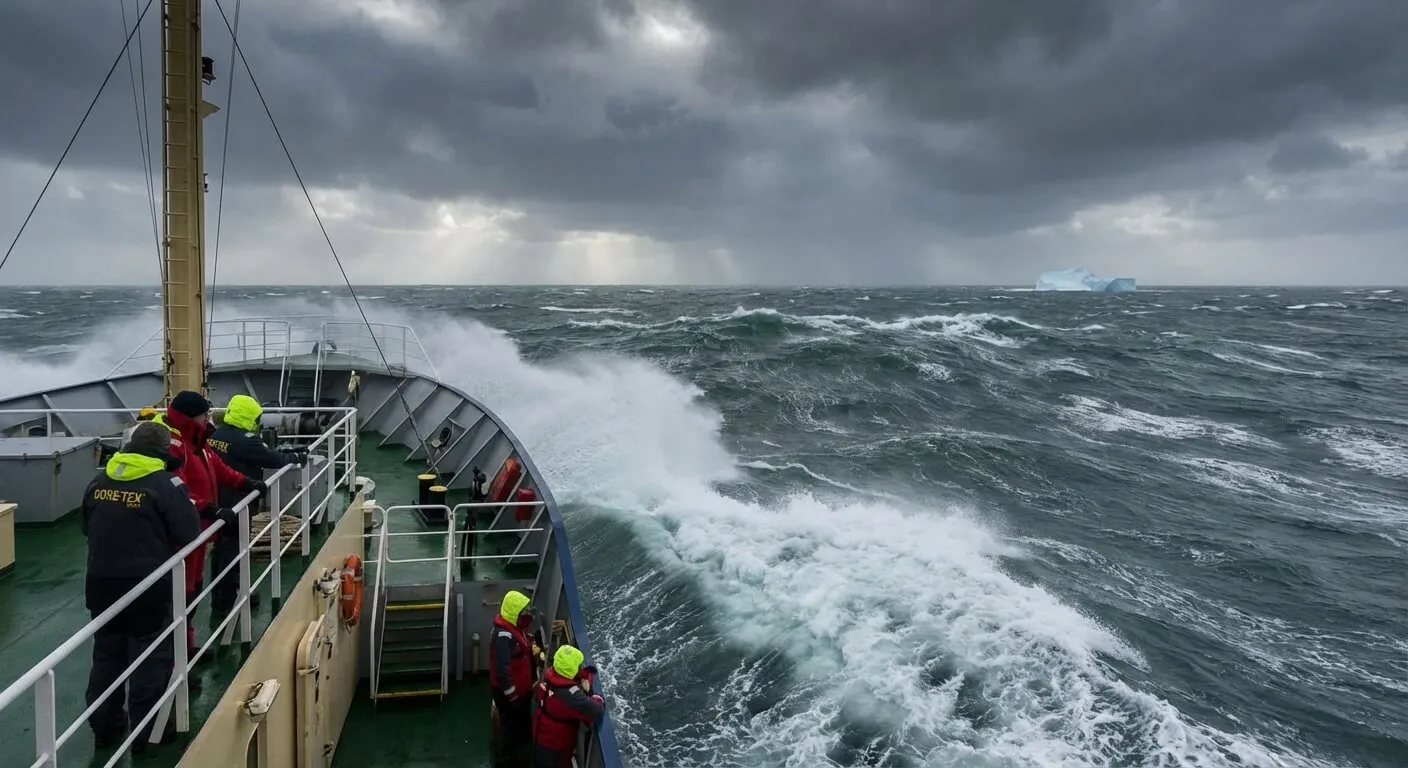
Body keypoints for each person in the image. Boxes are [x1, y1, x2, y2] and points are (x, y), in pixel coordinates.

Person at [81, 422, 214, 754]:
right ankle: (147, 732)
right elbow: (188, 530)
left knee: (107, 657)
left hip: (100, 585)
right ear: (162, 453)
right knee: (150, 658)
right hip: (146, 586)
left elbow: (86, 526)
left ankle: (106, 727)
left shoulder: (98, 481)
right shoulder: (165, 483)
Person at [151, 390, 267, 658]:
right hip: (183, 534)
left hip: (199, 532)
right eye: (205, 415)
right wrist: (209, 508)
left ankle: (187, 647)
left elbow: (219, 469)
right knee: (181, 595)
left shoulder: (199, 445)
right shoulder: (175, 447)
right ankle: (176, 658)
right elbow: (176, 491)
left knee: (192, 590)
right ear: (192, 418)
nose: (208, 420)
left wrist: (245, 482)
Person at [205, 394, 306, 625]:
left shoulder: (216, 435)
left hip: (218, 500)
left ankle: (223, 598)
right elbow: (272, 459)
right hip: (238, 503)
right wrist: (297, 456)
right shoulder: (246, 440)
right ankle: (227, 603)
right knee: (234, 552)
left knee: (221, 550)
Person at [530, 645, 604, 768]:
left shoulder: (549, 677)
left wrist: (583, 675)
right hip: (555, 750)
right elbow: (596, 710)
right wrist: (597, 697)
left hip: (540, 739)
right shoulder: (570, 696)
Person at [490, 589, 540, 768]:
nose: (526, 615)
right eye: (523, 612)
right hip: (510, 694)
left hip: (520, 691)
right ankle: (504, 763)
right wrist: (512, 697)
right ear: (514, 614)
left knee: (517, 724)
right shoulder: (504, 636)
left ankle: (519, 747)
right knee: (507, 729)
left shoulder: (514, 629)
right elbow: (502, 672)